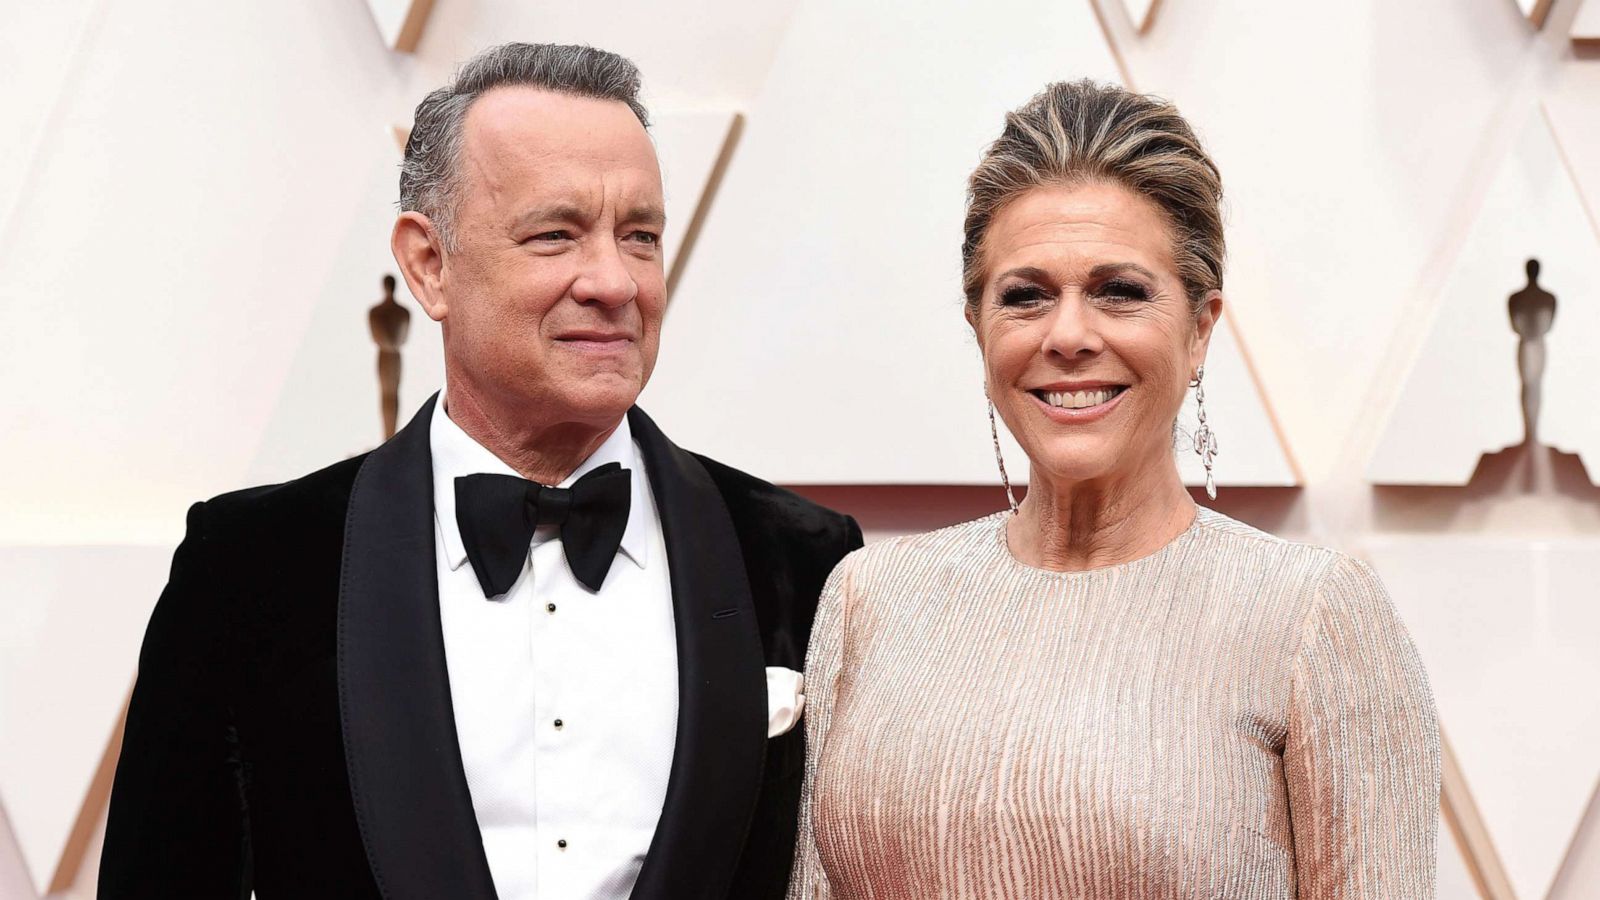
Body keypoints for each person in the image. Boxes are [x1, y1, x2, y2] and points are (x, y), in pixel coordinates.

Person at [99, 43, 861, 900]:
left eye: (640, 235)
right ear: (429, 265)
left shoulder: (807, 561)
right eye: (556, 235)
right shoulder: (249, 566)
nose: (614, 280)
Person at [789, 81, 1439, 899]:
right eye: (1025, 296)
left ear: (1200, 328)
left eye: (1119, 291)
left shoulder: (1312, 617)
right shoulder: (868, 600)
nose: (1068, 335)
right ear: (978, 325)